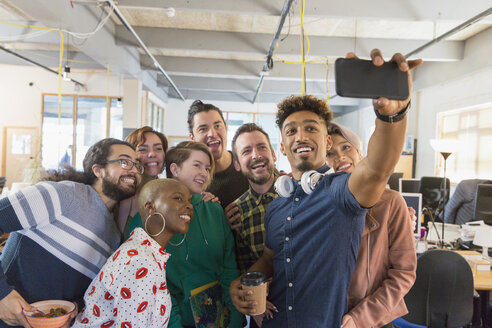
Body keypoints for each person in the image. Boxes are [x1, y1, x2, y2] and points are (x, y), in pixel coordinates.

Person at [230, 50, 422, 327]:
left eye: (311, 128)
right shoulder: (276, 206)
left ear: (327, 142)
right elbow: (270, 258)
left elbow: (378, 169)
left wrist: (392, 116)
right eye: (291, 131)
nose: (301, 136)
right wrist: (244, 281)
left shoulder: (341, 193)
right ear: (282, 147)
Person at [0, 138, 142, 328]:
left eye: (137, 165)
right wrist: (2, 294)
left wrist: (76, 306)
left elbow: (87, 291)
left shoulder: (114, 237)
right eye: (125, 162)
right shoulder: (63, 195)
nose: (133, 169)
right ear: (98, 170)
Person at [326, 122, 417, 328]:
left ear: (361, 154)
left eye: (346, 147)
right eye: (330, 153)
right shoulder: (323, 204)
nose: (340, 157)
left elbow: (403, 273)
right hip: (329, 316)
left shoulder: (391, 202)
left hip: (374, 320)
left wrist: (360, 318)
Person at [73, 179, 194, 328]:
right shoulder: (141, 261)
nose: (189, 205)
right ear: (150, 207)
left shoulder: (145, 252)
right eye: (178, 198)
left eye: (189, 200)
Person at [164, 141, 244, 328]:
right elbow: (156, 285)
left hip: (220, 318)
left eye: (207, 168)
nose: (204, 173)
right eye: (196, 165)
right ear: (175, 169)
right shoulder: (152, 215)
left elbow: (228, 269)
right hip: (174, 320)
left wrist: (236, 320)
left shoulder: (214, 209)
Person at [230, 123, 278, 273]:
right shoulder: (238, 212)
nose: (256, 155)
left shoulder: (298, 192)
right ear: (237, 164)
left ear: (274, 154)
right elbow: (247, 269)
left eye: (262, 147)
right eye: (246, 151)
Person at [187, 100, 249, 212]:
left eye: (217, 126)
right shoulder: (194, 183)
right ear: (193, 138)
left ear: (225, 129)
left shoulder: (246, 164)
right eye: (203, 129)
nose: (212, 134)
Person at [118, 126, 168, 238]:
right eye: (143, 149)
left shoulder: (170, 193)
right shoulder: (120, 194)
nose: (152, 154)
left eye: (158, 149)